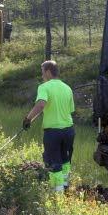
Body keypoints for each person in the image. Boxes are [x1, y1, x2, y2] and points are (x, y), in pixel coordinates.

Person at [23, 60, 75, 192]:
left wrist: (28, 119)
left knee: (53, 163)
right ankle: (65, 187)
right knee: (65, 161)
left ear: (47, 72)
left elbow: (41, 105)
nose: (42, 76)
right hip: (69, 131)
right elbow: (69, 110)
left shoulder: (44, 87)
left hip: (53, 132)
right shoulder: (67, 88)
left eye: (42, 72)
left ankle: (57, 194)